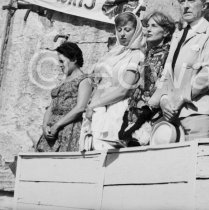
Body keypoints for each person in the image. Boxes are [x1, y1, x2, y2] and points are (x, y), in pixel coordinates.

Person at [149, 0, 209, 140]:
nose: (186, 5)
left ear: (203, 6)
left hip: (196, 110)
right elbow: (167, 73)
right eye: (182, 1)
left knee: (194, 158)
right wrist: (163, 99)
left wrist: (181, 98)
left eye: (191, 0)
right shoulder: (178, 35)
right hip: (171, 112)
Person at [84, 12, 145, 150]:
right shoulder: (113, 54)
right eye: (119, 30)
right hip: (98, 109)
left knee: (107, 151)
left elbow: (123, 90)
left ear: (136, 31)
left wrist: (94, 104)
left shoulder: (136, 55)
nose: (122, 34)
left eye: (127, 30)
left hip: (115, 111)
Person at [119, 11, 175, 146]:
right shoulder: (149, 53)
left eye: (154, 26)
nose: (148, 29)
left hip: (151, 113)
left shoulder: (168, 53)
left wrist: (146, 113)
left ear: (166, 31)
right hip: (135, 111)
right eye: (148, 26)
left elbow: (162, 83)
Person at [36, 42, 93, 152]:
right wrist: (44, 126)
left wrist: (57, 125)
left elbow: (80, 107)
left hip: (68, 130)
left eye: (62, 61)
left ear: (74, 59)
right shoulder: (63, 81)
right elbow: (51, 106)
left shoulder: (84, 80)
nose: (60, 64)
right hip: (51, 131)